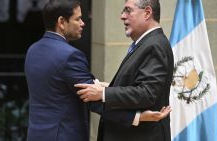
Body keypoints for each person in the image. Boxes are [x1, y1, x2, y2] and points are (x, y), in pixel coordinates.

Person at [25, 0, 171, 141]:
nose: (83, 23)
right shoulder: (69, 56)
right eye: (78, 19)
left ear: (147, 13)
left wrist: (103, 89)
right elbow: (90, 97)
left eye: (128, 10)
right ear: (62, 22)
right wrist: (137, 117)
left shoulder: (33, 50)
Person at [75, 0, 174, 141]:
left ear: (147, 13)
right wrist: (109, 86)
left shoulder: (154, 45)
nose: (122, 16)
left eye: (128, 10)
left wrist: (103, 93)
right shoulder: (145, 43)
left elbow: (147, 93)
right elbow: (139, 84)